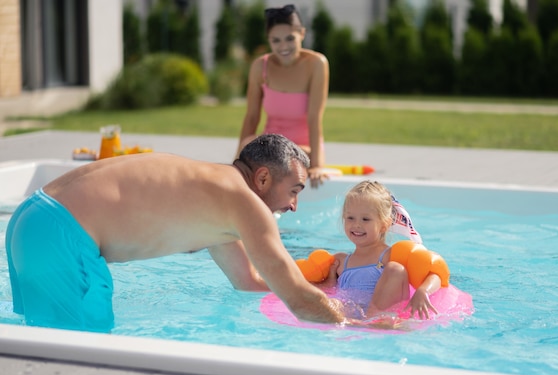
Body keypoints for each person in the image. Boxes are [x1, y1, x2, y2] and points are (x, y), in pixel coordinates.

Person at [5, 134, 348, 333]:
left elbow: (250, 282)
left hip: (30, 218)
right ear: (262, 179)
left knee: (43, 345)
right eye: (295, 190)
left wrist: (323, 286)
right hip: (61, 235)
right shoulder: (246, 204)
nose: (295, 205)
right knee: (81, 356)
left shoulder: (219, 197)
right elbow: (297, 301)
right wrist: (359, 325)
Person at [317, 180, 443, 320]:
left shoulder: (390, 256)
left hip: (381, 315)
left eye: (365, 219)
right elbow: (326, 291)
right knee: (331, 303)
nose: (356, 224)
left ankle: (374, 320)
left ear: (384, 225)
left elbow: (435, 273)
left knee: (396, 269)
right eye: (350, 218)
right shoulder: (340, 262)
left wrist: (423, 291)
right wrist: (329, 281)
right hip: (350, 314)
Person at [237, 4, 329, 188]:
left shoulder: (316, 64)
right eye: (276, 40)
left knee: (285, 160)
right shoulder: (260, 67)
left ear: (302, 34)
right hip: (269, 147)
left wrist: (317, 165)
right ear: (268, 40)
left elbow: (314, 118)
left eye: (289, 38)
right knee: (249, 145)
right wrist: (238, 162)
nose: (283, 46)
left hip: (303, 148)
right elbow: (252, 116)